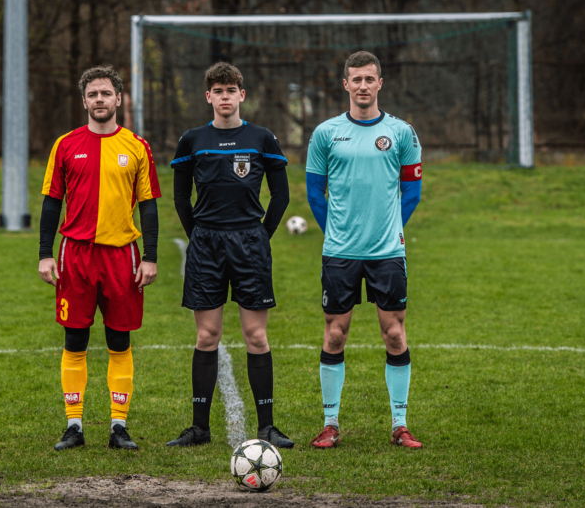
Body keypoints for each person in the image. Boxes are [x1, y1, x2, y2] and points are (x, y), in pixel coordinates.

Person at [166, 62, 293, 449]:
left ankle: (267, 427)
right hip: (207, 243)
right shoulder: (192, 140)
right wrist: (198, 236)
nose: (225, 97)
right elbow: (180, 197)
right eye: (218, 91)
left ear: (242, 95)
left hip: (249, 242)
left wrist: (262, 235)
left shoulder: (261, 138)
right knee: (207, 335)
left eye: (230, 90)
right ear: (208, 96)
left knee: (256, 335)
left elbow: (281, 195)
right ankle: (199, 429)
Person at [38, 65, 161, 451]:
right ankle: (73, 426)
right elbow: (51, 202)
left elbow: (149, 206)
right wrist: (44, 254)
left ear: (118, 98)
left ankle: (118, 427)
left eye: (106, 93)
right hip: (75, 255)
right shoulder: (65, 145)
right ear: (84, 101)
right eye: (92, 94)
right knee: (74, 339)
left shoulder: (137, 146)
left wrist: (150, 257)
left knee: (119, 340)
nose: (99, 100)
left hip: (122, 256)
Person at [305, 51, 424, 449]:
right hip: (340, 253)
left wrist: (390, 231)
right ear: (345, 84)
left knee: (395, 335)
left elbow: (412, 192)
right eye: (355, 79)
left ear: (380, 83)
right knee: (335, 335)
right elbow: (314, 193)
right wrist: (336, 233)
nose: (362, 86)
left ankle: (400, 425)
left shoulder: (402, 133)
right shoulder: (325, 133)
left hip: (387, 253)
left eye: (369, 79)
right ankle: (330, 424)